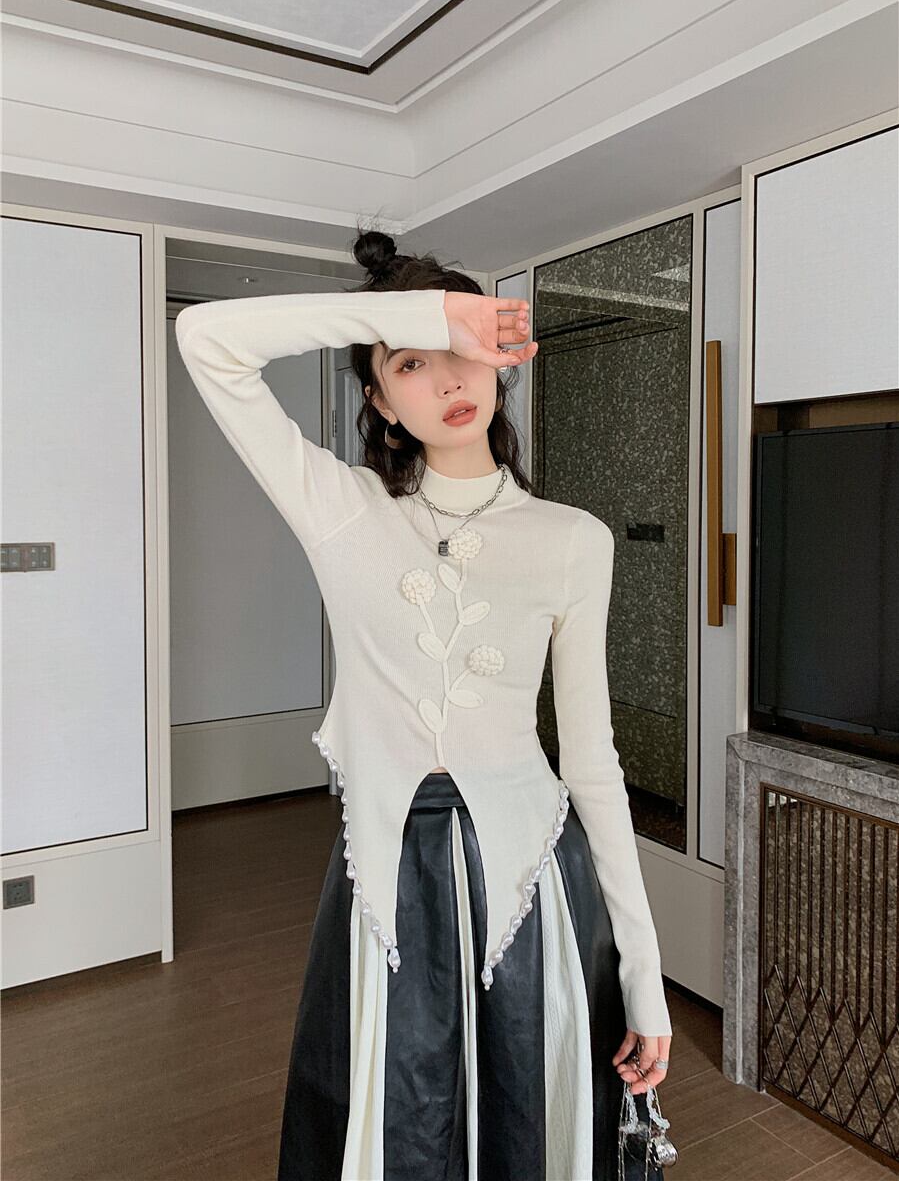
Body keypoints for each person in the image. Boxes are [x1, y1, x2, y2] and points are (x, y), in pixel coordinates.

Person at [175, 227, 673, 1181]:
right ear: (380, 402)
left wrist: (643, 979)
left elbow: (591, 764)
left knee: (530, 1118)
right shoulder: (342, 511)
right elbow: (206, 339)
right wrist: (426, 312)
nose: (446, 376)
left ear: (499, 361)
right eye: (410, 363)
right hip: (387, 874)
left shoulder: (573, 539)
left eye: (462, 351)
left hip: (533, 876)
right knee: (393, 1122)